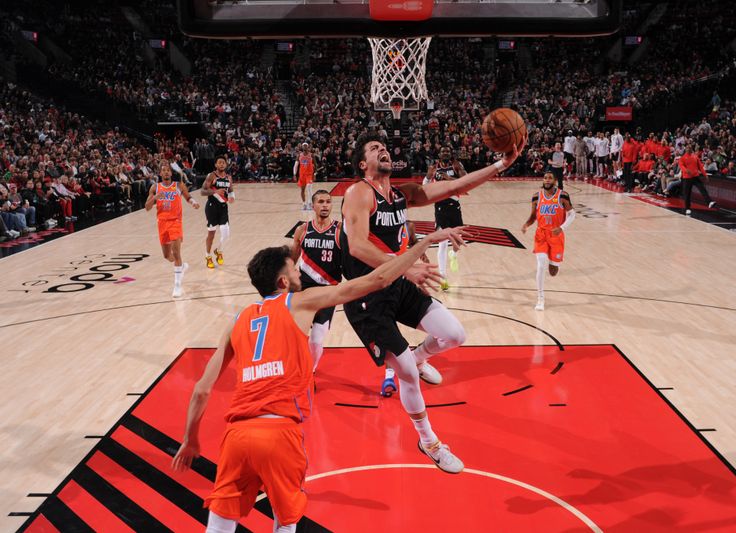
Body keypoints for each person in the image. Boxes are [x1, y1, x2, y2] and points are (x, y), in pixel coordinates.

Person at [171, 228, 466, 533]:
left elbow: (201, 390)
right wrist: (423, 245)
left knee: (220, 525)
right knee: (285, 522)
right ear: (283, 282)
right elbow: (376, 280)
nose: (300, 272)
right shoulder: (299, 302)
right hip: (279, 432)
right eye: (294, 269)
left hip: (237, 436)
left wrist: (190, 439)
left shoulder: (238, 320)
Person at [340, 131, 524, 473]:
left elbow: (454, 187)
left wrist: (501, 163)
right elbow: (357, 246)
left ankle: (422, 357)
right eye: (374, 148)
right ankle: (430, 443)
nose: (383, 149)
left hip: (397, 282)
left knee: (454, 335)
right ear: (363, 164)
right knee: (406, 372)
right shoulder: (357, 193)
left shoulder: (399, 194)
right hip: (368, 294)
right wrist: (407, 267)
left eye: (384, 146)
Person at [290, 190, 342, 371]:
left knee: (317, 337)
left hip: (327, 291)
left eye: (328, 202)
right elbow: (292, 259)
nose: (325, 205)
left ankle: (309, 371)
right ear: (313, 206)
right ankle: (295, 368)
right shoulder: (302, 230)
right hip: (303, 289)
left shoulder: (340, 230)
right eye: (321, 202)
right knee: (296, 334)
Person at [521, 171, 575, 311]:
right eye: (545, 178)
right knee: (541, 264)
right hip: (541, 234)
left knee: (553, 271)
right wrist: (527, 224)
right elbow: (533, 216)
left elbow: (572, 214)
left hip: (556, 235)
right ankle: (540, 298)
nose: (546, 180)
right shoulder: (536, 196)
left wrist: (562, 228)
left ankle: (554, 263)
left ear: (555, 181)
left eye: (550, 178)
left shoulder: (562, 195)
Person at [145, 161, 200, 297]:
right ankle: (181, 267)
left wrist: (193, 203)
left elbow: (188, 197)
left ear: (171, 172)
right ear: (160, 173)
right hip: (162, 223)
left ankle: (177, 286)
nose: (166, 172)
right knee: (167, 256)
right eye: (163, 170)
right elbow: (147, 207)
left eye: (168, 170)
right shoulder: (155, 187)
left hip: (175, 221)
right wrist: (155, 198)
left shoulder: (178, 185)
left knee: (176, 254)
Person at [423, 146, 466, 291]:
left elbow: (466, 181)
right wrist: (428, 177)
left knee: (459, 239)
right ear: (439, 154)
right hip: (440, 206)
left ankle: (453, 253)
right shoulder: (433, 168)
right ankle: (442, 278)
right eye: (443, 151)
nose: (446, 153)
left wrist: (450, 179)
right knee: (442, 242)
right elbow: (424, 187)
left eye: (448, 151)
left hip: (455, 205)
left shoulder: (456, 165)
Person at [202, 156, 235, 269]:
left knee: (226, 233)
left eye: (223, 163)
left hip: (223, 207)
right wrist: (215, 191)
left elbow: (230, 191)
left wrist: (232, 197)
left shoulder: (228, 177)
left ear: (226, 165)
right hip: (212, 207)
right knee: (211, 234)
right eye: (219, 163)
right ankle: (208, 256)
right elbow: (202, 191)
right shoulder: (211, 176)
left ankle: (218, 251)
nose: (221, 164)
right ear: (216, 165)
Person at [678, 144, 716, 215]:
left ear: (691, 149)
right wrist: (686, 170)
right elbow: (681, 166)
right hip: (687, 178)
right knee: (687, 194)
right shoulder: (682, 158)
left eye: (690, 147)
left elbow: (700, 167)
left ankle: (709, 202)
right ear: (686, 149)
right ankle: (687, 208)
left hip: (695, 177)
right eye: (687, 148)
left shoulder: (695, 156)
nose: (689, 149)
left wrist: (705, 175)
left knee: (702, 189)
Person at [294, 143, 315, 210]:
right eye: (304, 146)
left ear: (308, 147)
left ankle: (310, 203)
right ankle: (304, 204)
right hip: (302, 175)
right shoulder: (299, 155)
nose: (305, 147)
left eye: (306, 146)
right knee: (302, 190)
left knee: (309, 187)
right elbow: (295, 166)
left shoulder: (311, 155)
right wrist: (294, 174)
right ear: (302, 147)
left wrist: (315, 174)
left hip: (309, 174)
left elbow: (316, 165)